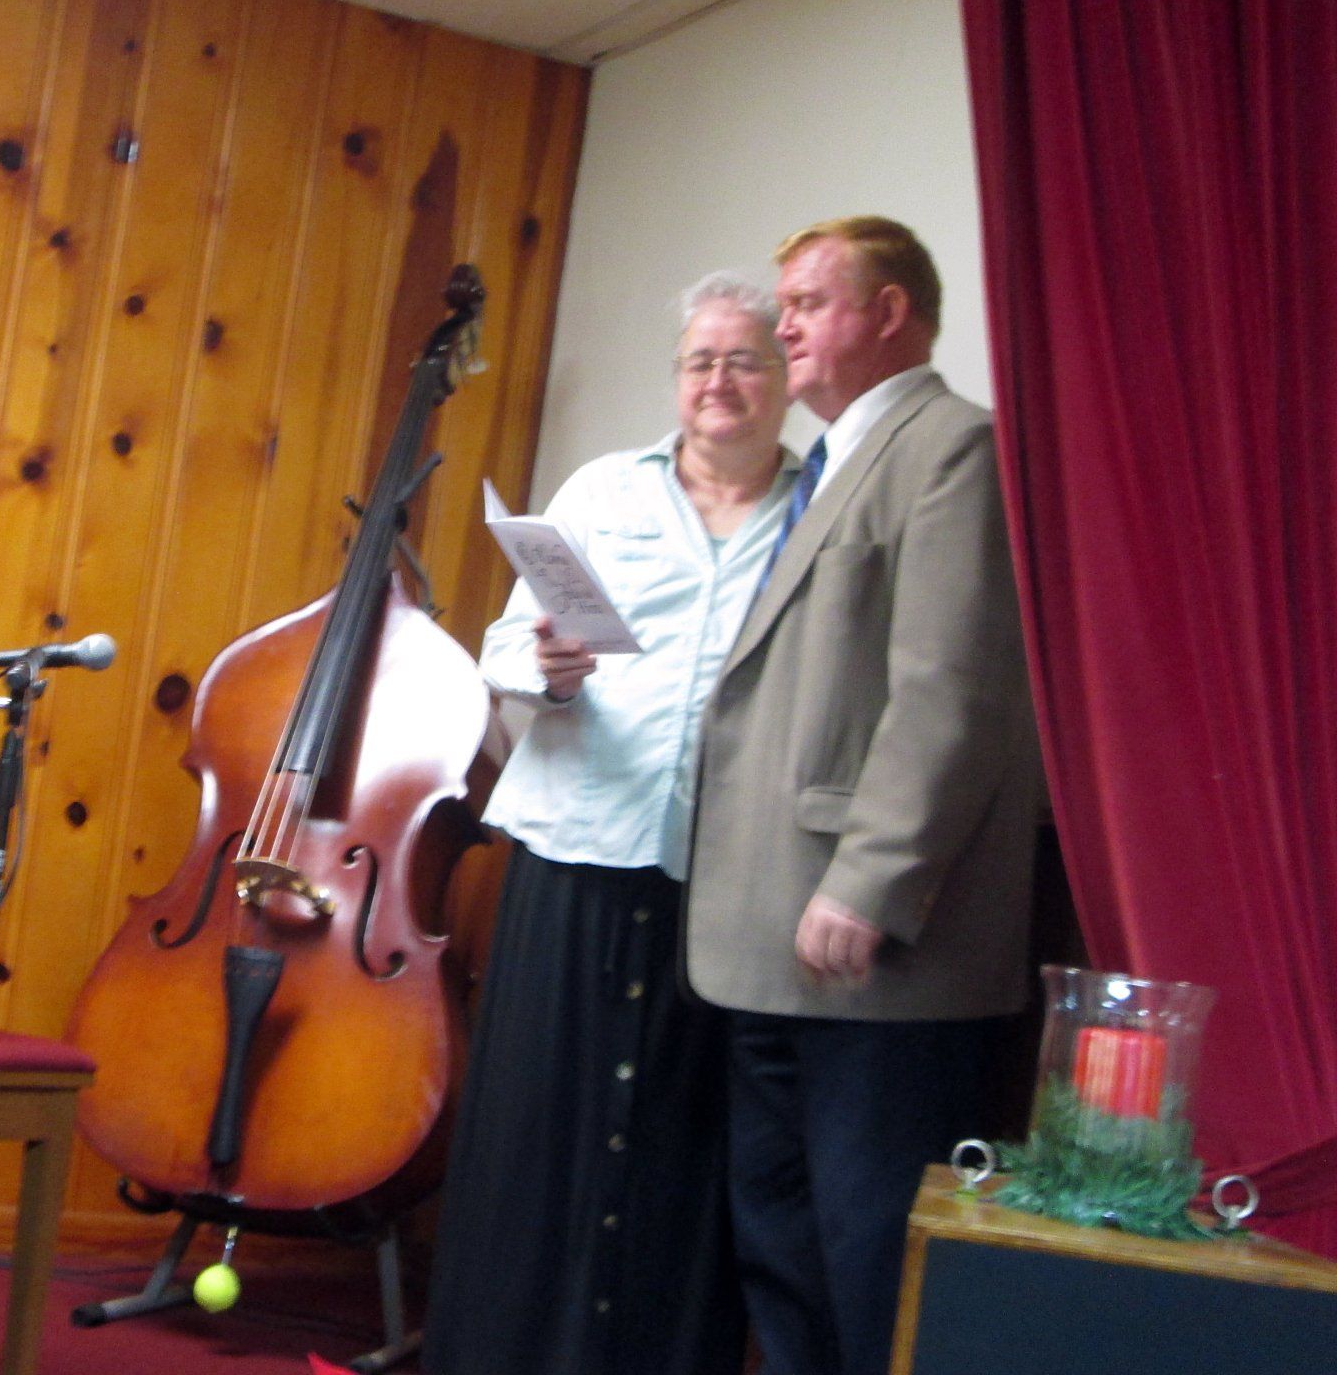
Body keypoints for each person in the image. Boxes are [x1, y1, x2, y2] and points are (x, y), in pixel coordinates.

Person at [684, 217, 1042, 1375]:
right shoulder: (829, 462)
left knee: (868, 1244)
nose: (782, 326)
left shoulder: (952, 447)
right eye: (781, 304)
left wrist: (872, 881)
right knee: (780, 1242)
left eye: (808, 303)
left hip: (875, 947)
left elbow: (954, 693)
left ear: (889, 314)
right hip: (764, 933)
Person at [423, 273, 795, 1375]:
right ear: (677, 377)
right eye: (700, 361)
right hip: (575, 847)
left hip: (724, 870)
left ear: (786, 380)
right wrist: (543, 668)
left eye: (744, 361)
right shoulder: (601, 491)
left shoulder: (819, 508)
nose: (718, 381)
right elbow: (502, 650)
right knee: (539, 1133)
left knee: (683, 1149)